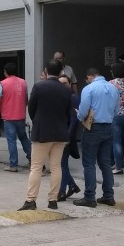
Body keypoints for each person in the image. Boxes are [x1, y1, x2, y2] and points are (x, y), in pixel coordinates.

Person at [18, 60, 71, 210]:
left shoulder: (39, 86)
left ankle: (31, 200)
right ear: (61, 71)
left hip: (42, 132)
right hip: (60, 132)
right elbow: (68, 112)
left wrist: (37, 121)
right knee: (56, 167)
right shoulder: (66, 90)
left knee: (36, 167)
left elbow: (31, 107)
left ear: (46, 70)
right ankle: (53, 199)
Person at [74, 67, 119, 207]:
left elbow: (82, 111)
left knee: (89, 163)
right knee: (105, 163)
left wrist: (80, 117)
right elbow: (116, 110)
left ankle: (89, 197)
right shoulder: (113, 88)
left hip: (93, 128)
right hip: (108, 127)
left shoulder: (89, 89)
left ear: (89, 77)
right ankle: (108, 196)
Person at [0, 62, 31, 172]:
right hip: (21, 116)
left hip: (8, 117)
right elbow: (26, 99)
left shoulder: (2, 84)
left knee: (11, 141)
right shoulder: (23, 82)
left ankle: (13, 165)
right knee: (24, 138)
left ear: (6, 72)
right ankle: (32, 159)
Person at [57, 74, 81, 201]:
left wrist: (68, 137)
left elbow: (74, 120)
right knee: (60, 163)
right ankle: (71, 185)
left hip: (66, 136)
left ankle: (61, 192)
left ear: (70, 84)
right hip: (57, 135)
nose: (63, 85)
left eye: (65, 83)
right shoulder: (57, 97)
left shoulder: (73, 98)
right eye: (60, 83)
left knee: (62, 164)